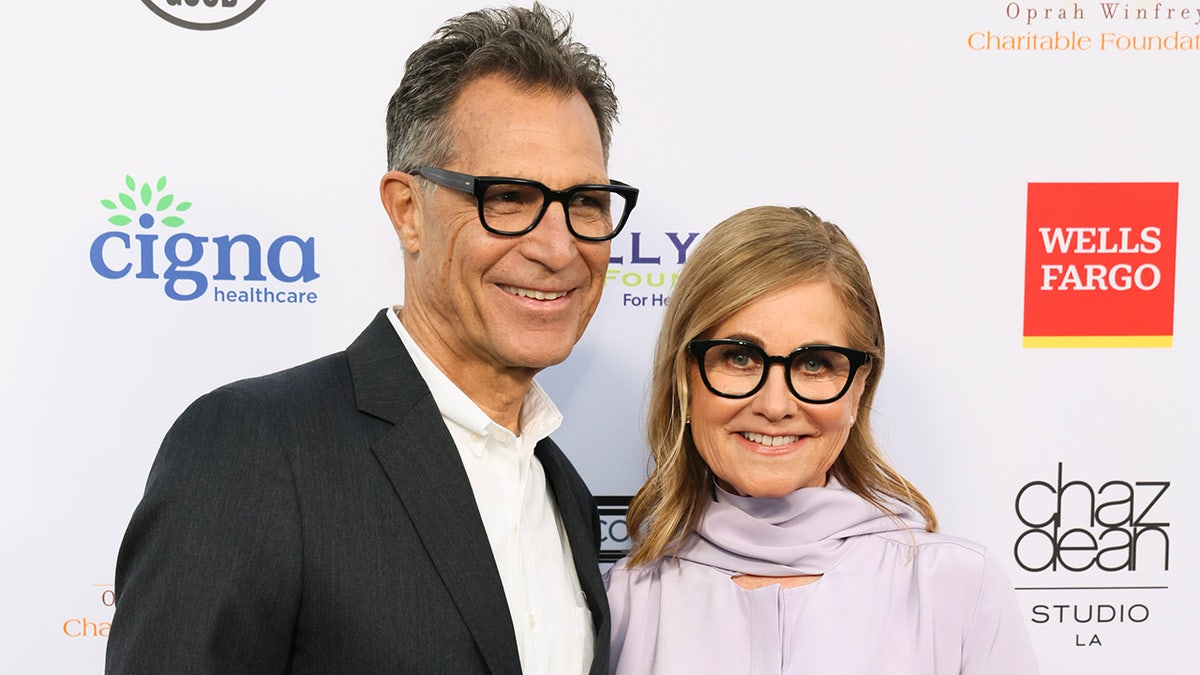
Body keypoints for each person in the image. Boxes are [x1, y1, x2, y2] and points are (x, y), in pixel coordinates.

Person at [106, 5, 637, 674]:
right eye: (508, 197)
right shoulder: (255, 447)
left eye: (586, 201)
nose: (558, 247)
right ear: (407, 211)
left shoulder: (567, 492)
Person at [605, 206, 1038, 674]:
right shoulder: (619, 603)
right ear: (686, 379)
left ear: (859, 387)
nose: (774, 405)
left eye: (814, 364)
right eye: (739, 358)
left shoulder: (957, 590)